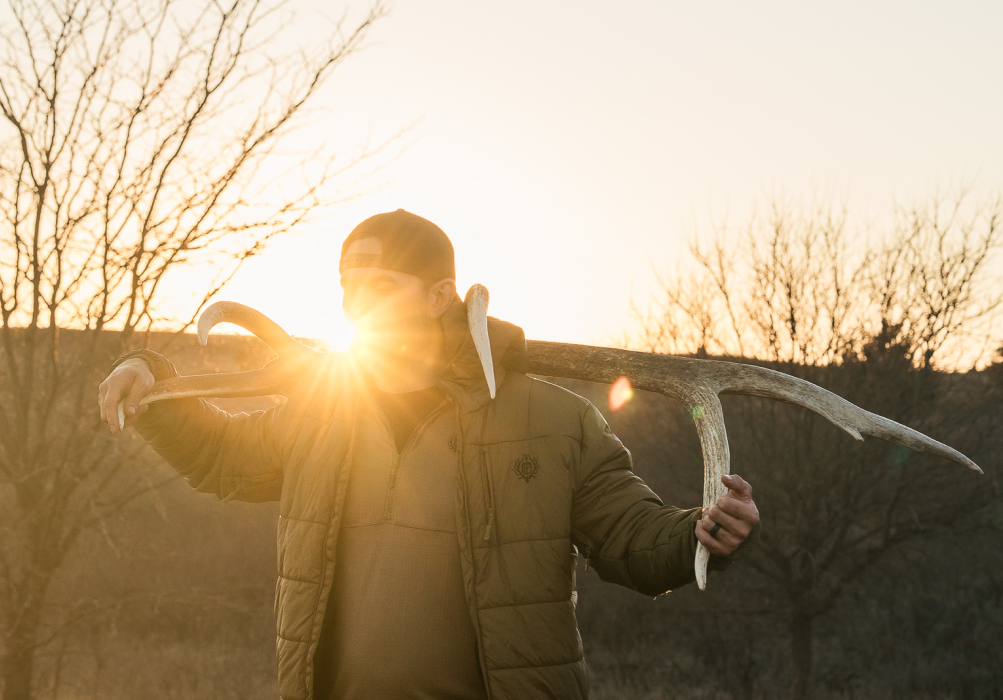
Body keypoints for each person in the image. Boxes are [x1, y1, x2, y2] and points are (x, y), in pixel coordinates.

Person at [99, 209, 760, 700]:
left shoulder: (549, 420)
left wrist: (701, 534)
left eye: (380, 285)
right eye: (347, 285)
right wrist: (153, 382)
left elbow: (627, 537)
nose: (356, 302)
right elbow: (220, 456)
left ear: (441, 295)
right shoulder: (320, 408)